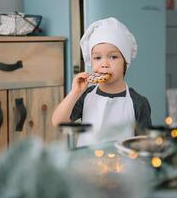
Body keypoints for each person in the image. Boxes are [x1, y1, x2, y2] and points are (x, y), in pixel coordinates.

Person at [52, 17, 151, 147]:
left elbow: (145, 144)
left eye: (113, 57)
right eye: (97, 58)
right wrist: (74, 93)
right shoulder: (85, 96)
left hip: (122, 165)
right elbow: (58, 122)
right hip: (87, 164)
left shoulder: (138, 103)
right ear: (91, 62)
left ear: (125, 62)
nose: (104, 64)